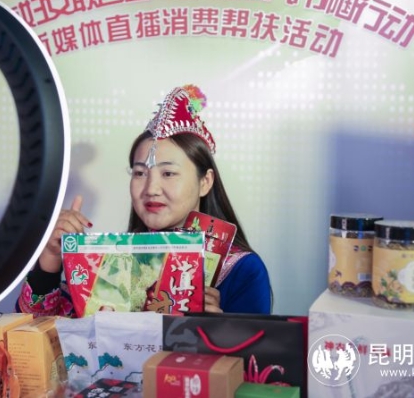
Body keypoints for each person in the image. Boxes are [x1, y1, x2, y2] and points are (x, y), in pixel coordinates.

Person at [17, 84, 272, 316]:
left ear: (205, 182)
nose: (151, 188)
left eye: (168, 173)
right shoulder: (111, 261)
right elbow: (36, 337)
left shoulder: (242, 270)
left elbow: (258, 353)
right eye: (140, 173)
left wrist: (218, 332)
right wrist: (50, 259)